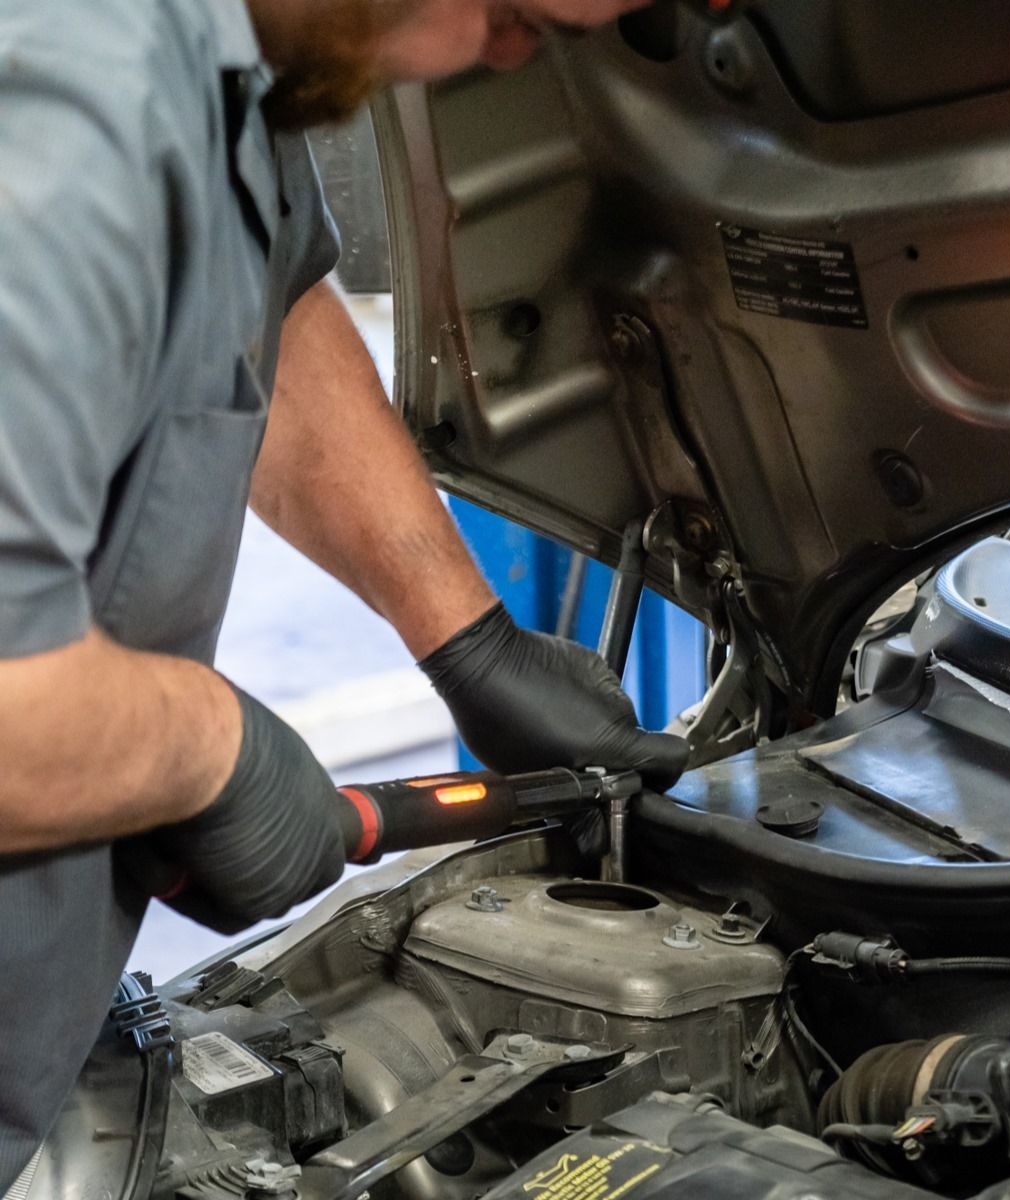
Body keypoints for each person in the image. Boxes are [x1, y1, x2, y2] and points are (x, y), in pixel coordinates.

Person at [0, 0, 688, 1187]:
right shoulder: (61, 104)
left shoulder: (234, 68)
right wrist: (210, 751)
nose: (522, 52)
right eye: (517, 12)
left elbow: (273, 304)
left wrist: (466, 639)